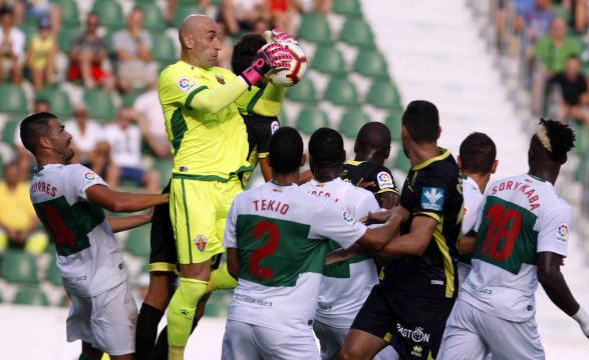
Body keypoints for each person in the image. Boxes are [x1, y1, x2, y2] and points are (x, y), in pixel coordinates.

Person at [156, 15, 293, 359]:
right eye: (211, 37)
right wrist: (260, 64)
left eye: (220, 38)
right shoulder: (175, 75)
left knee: (246, 267)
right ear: (188, 41)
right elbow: (209, 103)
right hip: (196, 184)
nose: (219, 45)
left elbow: (263, 108)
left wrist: (279, 77)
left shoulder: (224, 77)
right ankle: (174, 356)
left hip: (231, 189)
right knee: (194, 279)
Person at [221, 127, 409, 360]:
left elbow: (233, 267)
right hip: (295, 321)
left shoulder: (242, 201)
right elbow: (377, 243)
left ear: (268, 160)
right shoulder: (314, 205)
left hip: (242, 315)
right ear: (302, 160)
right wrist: (399, 215)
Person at [440, 119, 589, 359]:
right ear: (563, 160)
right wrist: (587, 322)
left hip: (470, 301)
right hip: (507, 311)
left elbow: (473, 243)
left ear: (530, 153)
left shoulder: (496, 188)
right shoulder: (556, 208)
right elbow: (548, 274)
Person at [19, 112, 169, 360]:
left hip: (76, 279)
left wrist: (146, 217)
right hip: (104, 281)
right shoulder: (72, 174)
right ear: (45, 142)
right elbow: (117, 203)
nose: (69, 136)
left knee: (90, 351)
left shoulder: (37, 186)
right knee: (125, 355)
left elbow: (95, 225)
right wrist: (167, 197)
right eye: (61, 130)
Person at [337, 100, 464, 360]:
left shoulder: (435, 179)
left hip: (427, 288)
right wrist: (380, 215)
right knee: (351, 354)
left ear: (404, 131)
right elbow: (407, 211)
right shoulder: (424, 167)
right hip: (398, 278)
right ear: (438, 132)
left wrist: (362, 246)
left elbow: (418, 241)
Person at [300, 128, 381, 359]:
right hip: (354, 315)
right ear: (344, 157)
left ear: (311, 158)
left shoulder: (297, 196)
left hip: (316, 312)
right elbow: (381, 247)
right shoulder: (360, 198)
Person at [231, 32, 288, 184]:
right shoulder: (264, 117)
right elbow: (274, 184)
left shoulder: (221, 92)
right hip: (223, 196)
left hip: (181, 187)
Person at [456, 132, 498, 287]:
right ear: (494, 166)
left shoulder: (442, 185)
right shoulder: (479, 202)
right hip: (450, 287)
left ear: (458, 161)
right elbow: (452, 243)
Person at [0, 161, 48, 256]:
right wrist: (8, 230)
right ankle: (0, 262)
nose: (12, 175)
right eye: (10, 173)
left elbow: (36, 216)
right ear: (5, 174)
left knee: (41, 237)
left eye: (14, 173)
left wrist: (27, 231)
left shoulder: (27, 190)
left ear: (18, 174)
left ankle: (27, 262)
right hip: (4, 229)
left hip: (26, 231)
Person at [342, 122, 400, 209]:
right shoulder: (380, 172)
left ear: (356, 145)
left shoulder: (337, 170)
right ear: (387, 152)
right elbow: (392, 201)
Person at [104, 108, 161, 193]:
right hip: (117, 167)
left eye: (128, 119)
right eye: (123, 117)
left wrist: (137, 116)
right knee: (113, 171)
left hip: (135, 167)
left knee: (154, 175)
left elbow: (146, 131)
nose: (125, 121)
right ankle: (110, 204)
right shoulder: (110, 129)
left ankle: (152, 206)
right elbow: (104, 149)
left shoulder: (135, 129)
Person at [112, 7, 157, 92]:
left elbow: (148, 58)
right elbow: (122, 56)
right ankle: (132, 101)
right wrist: (140, 56)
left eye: (138, 21)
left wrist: (138, 40)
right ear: (129, 19)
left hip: (143, 69)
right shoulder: (119, 35)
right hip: (127, 69)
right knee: (123, 83)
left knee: (156, 82)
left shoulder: (146, 36)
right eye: (133, 20)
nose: (135, 23)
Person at [68, 12, 111, 89]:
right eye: (90, 23)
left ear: (98, 25)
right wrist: (83, 57)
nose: (92, 26)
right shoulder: (79, 39)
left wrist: (89, 57)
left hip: (95, 69)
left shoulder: (101, 41)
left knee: (110, 81)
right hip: (78, 70)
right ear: (86, 24)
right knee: (85, 56)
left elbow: (101, 57)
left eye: (94, 24)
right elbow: (72, 55)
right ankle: (89, 84)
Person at [65, 103, 109, 174]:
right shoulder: (68, 125)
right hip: (76, 155)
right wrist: (84, 153)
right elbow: (68, 144)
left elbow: (104, 143)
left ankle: (93, 180)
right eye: (78, 114)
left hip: (93, 155)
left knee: (101, 156)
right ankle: (79, 176)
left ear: (86, 114)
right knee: (70, 151)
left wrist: (93, 152)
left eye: (83, 114)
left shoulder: (95, 125)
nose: (81, 117)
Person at [0, 6, 24, 85]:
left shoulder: (19, 34)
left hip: (12, 60)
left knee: (17, 69)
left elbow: (15, 57)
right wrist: (2, 44)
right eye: (4, 16)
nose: (6, 19)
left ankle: (16, 93)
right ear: (0, 18)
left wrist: (10, 47)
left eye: (9, 17)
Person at [26, 18, 57, 91]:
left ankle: (48, 90)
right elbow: (29, 61)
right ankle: (38, 94)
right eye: (43, 29)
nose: (44, 32)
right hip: (35, 67)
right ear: (39, 30)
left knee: (49, 69)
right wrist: (35, 69)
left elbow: (51, 59)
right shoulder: (34, 41)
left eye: (47, 29)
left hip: (46, 67)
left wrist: (44, 68)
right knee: (38, 73)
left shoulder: (52, 42)